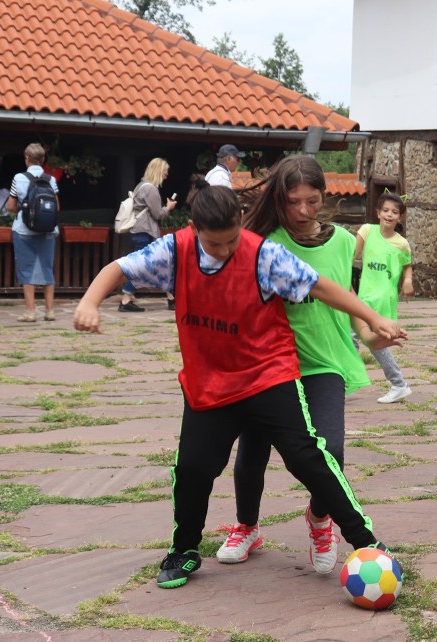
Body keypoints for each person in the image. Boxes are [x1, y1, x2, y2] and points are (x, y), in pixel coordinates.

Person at [73, 179, 401, 589]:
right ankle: (184, 550)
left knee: (307, 456)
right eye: (215, 244)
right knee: (193, 468)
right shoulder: (175, 250)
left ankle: (366, 542)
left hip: (267, 375)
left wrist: (373, 317)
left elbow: (320, 285)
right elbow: (117, 269)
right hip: (210, 383)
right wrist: (89, 302)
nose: (225, 250)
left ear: (241, 223)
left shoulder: (263, 255)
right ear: (194, 229)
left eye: (232, 240)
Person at [215, 156, 404, 573]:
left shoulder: (343, 242)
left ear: (324, 196)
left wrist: (374, 336)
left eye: (312, 201)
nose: (303, 211)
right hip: (269, 364)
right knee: (253, 449)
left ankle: (320, 518)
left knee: (330, 450)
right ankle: (247, 526)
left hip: (325, 361)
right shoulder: (262, 241)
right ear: (278, 200)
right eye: (293, 201)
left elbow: (346, 302)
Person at [354, 194, 415, 404]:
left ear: (400, 217)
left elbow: (407, 266)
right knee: (369, 342)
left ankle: (341, 382)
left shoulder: (402, 244)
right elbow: (351, 256)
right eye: (386, 210)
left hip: (382, 301)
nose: (389, 214)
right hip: (364, 297)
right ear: (378, 213)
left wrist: (408, 281)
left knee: (360, 340)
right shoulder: (366, 231)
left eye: (395, 212)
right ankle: (399, 384)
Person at [7, 143, 59, 322]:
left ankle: (30, 312)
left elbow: (11, 206)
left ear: (26, 158)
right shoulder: (51, 179)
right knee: (47, 267)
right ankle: (50, 311)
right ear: (43, 159)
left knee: (26, 267)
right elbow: (57, 206)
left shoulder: (18, 178)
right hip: (48, 230)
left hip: (23, 230)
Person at [118, 158, 177, 313]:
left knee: (159, 264)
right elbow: (158, 214)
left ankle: (171, 298)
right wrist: (168, 207)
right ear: (158, 171)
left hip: (140, 231)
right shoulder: (151, 189)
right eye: (165, 171)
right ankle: (125, 299)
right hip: (145, 232)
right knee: (141, 267)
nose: (166, 174)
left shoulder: (141, 185)